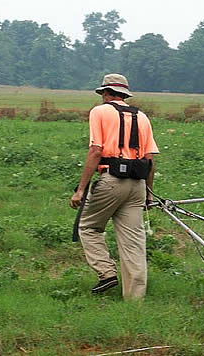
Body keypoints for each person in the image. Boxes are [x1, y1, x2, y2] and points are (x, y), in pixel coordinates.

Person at [70, 73, 158, 300]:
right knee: (134, 244)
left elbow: (96, 151)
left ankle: (106, 273)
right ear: (124, 95)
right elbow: (150, 160)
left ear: (107, 93)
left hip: (111, 180)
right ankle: (134, 302)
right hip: (137, 184)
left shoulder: (99, 112)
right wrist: (149, 195)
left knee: (88, 226)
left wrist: (80, 189)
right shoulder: (143, 117)